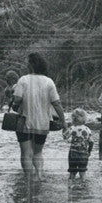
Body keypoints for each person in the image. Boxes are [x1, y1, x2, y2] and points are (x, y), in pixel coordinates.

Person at [11, 52, 66, 180]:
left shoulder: (23, 80)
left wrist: (14, 105)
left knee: (26, 153)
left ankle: (29, 180)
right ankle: (39, 176)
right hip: (43, 123)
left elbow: (17, 100)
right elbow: (56, 103)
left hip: (24, 122)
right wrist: (64, 122)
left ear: (31, 65)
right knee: (38, 152)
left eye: (27, 62)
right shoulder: (49, 81)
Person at [62, 108, 95, 179]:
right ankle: (83, 188)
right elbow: (91, 142)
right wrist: (89, 151)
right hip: (83, 154)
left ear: (73, 119)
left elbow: (65, 137)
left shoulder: (72, 128)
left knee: (72, 173)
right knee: (83, 174)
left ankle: (71, 188)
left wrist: (63, 129)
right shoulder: (87, 129)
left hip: (73, 153)